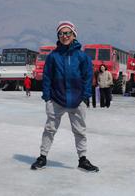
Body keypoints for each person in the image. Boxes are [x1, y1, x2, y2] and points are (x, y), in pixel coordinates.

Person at [31, 21, 99, 172]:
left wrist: (85, 97)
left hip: (77, 100)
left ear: (74, 34)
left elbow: (88, 78)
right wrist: (48, 97)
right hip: (57, 99)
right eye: (61, 33)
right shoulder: (53, 57)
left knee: (80, 131)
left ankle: (82, 159)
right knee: (49, 129)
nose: (64, 36)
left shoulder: (82, 57)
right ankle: (42, 157)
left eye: (67, 33)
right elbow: (47, 77)